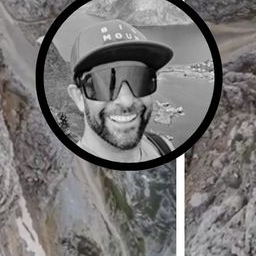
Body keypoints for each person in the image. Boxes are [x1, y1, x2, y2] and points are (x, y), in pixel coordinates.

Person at [67, 19, 175, 162]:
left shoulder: (164, 147)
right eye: (104, 85)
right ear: (78, 98)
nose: (126, 101)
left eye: (141, 80)